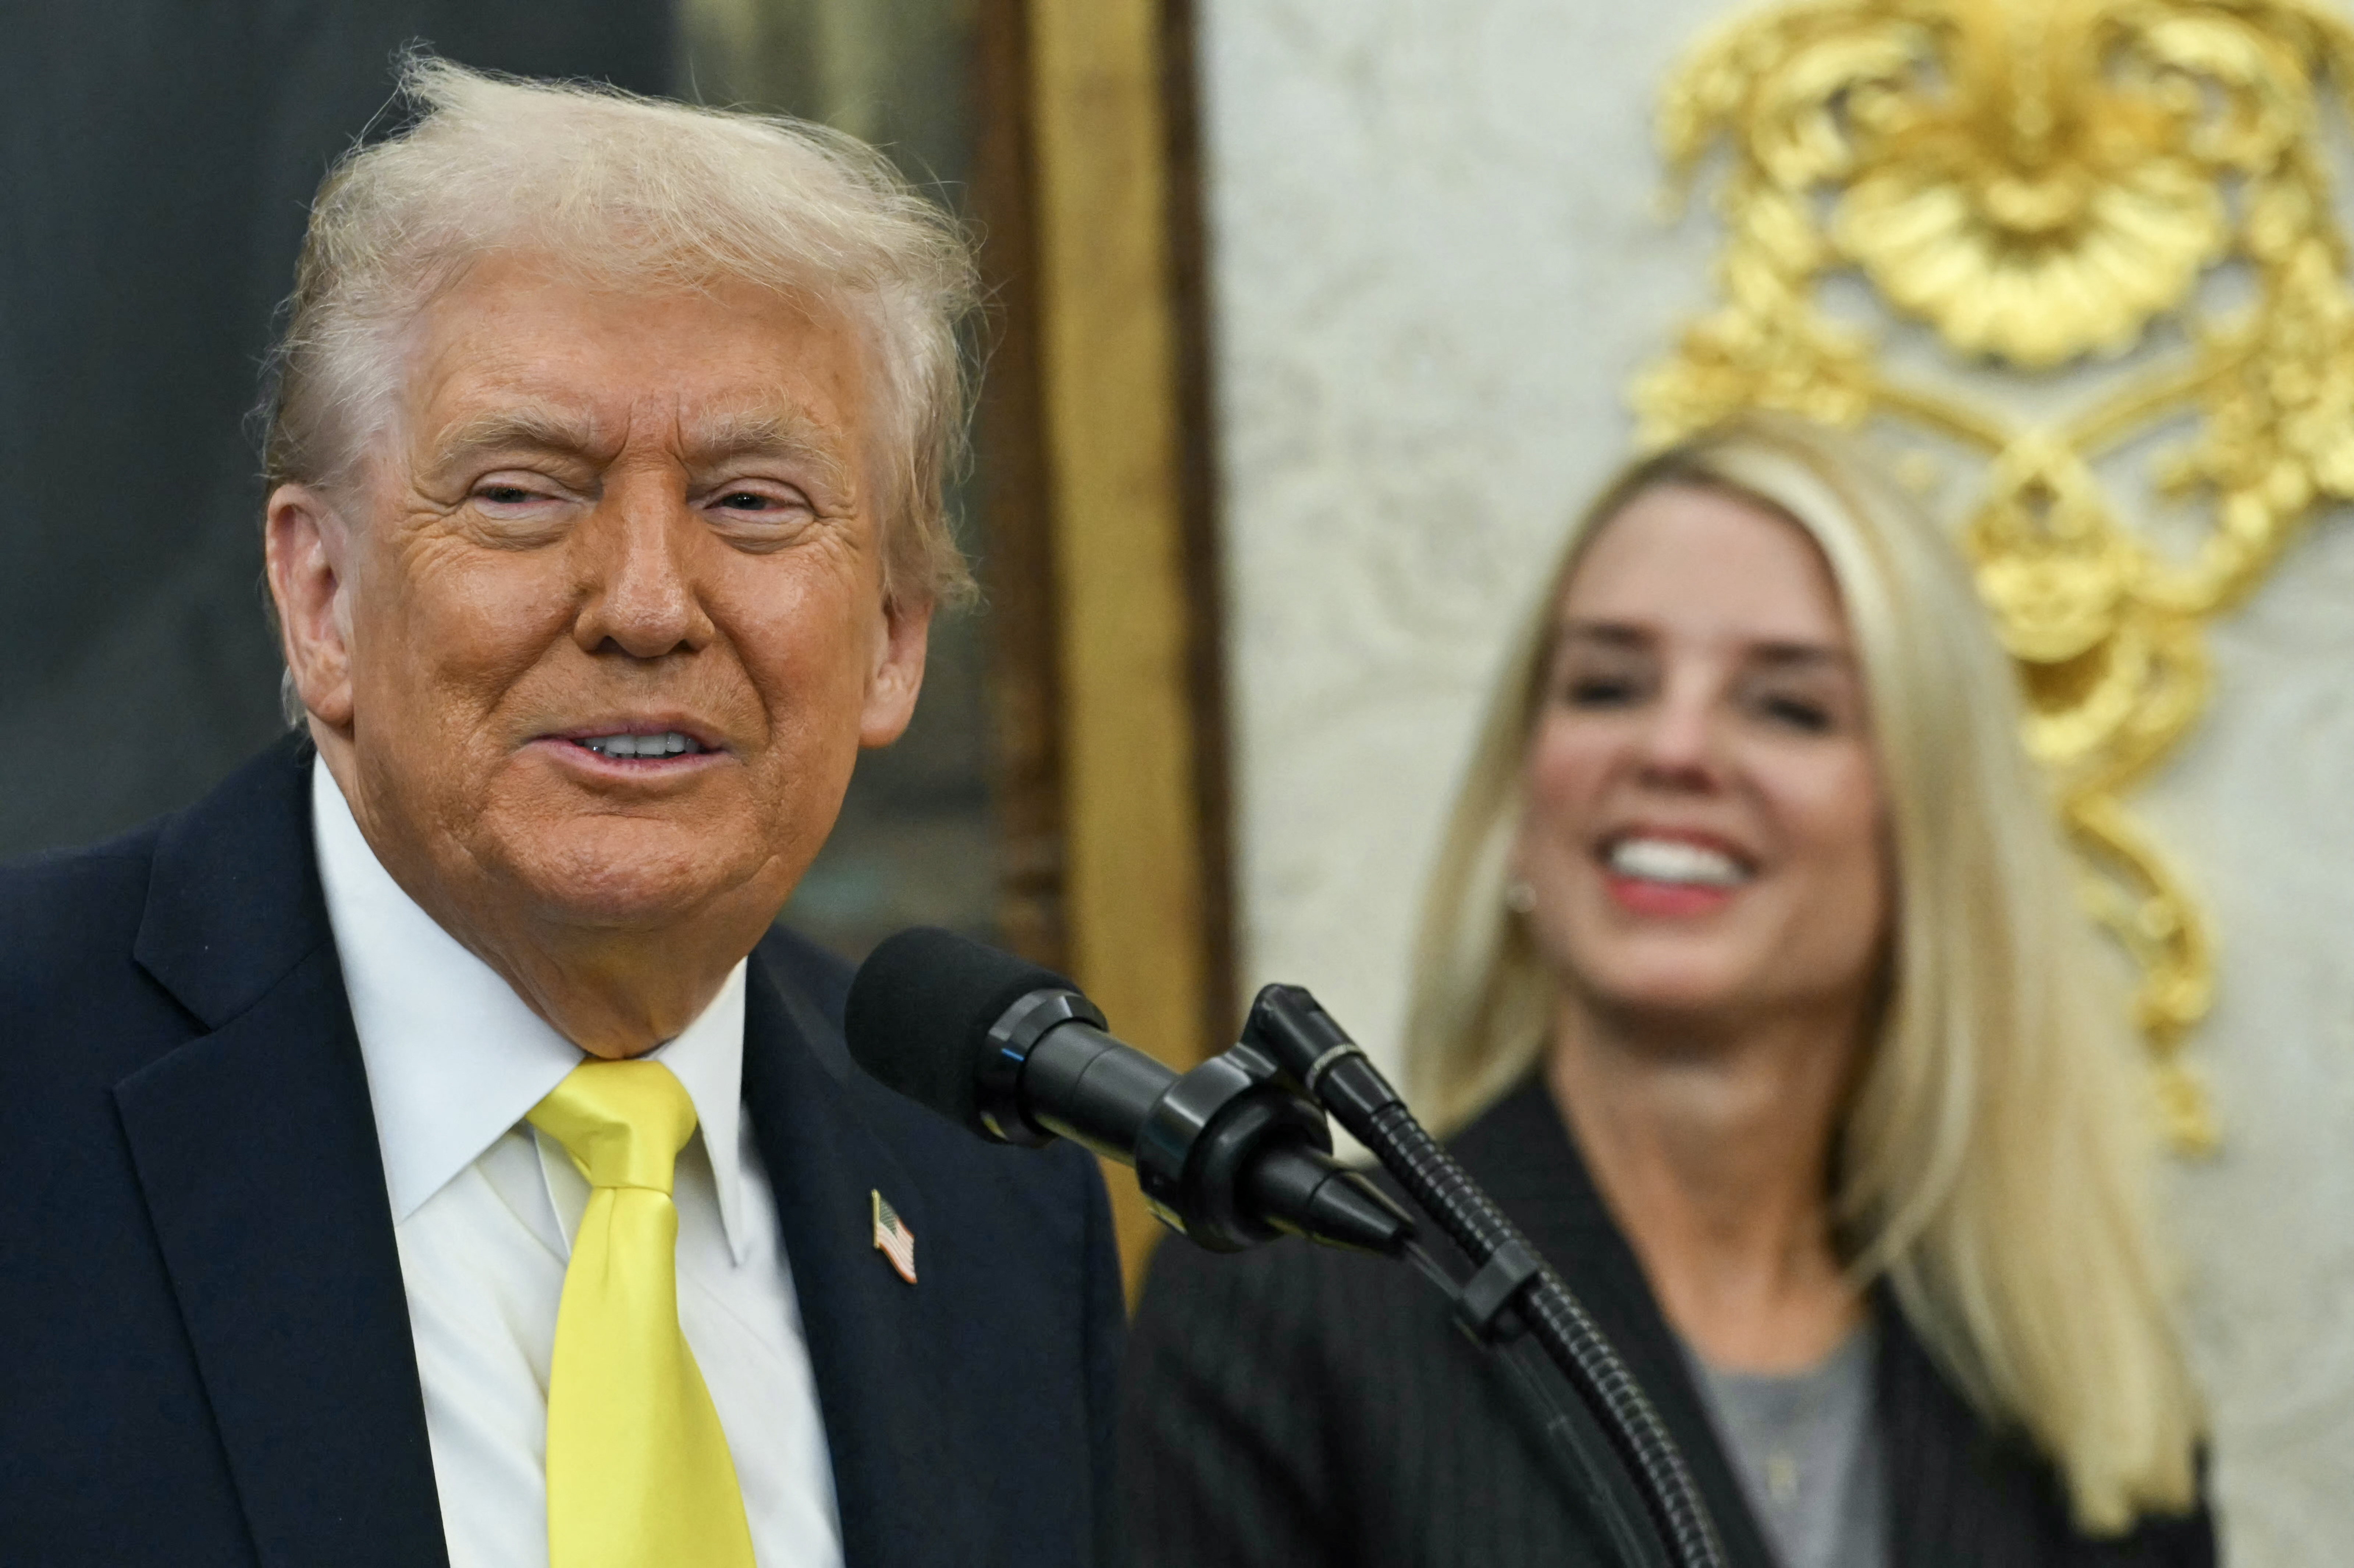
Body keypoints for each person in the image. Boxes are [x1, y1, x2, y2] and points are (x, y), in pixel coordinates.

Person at [0, 57, 1121, 1568]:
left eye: (751, 501)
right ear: (321, 598)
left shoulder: (998, 1214)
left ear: (895, 637)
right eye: (526, 492)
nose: (648, 605)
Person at [1119, 416, 2213, 1568]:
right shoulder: (1290, 1310)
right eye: (1607, 687)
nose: (1675, 748)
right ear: (1523, 804)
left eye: (1789, 705)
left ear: (1925, 834)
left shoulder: (2076, 1372)